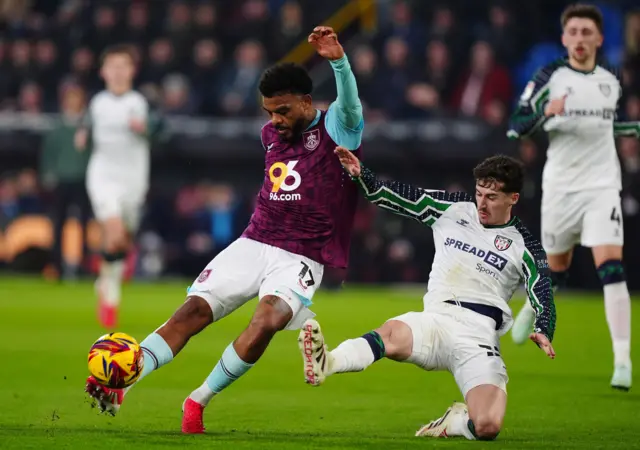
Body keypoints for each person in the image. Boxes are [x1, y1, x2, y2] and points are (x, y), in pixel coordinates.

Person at [85, 26, 365, 434]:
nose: (276, 120)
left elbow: (352, 105)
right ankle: (124, 379)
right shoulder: (270, 133)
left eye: (283, 110)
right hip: (254, 241)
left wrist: (338, 62)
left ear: (307, 101)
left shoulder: (339, 128)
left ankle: (198, 399)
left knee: (267, 320)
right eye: (269, 111)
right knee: (191, 313)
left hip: (302, 256)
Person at [299, 148, 556, 441]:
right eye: (479, 193)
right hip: (437, 319)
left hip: (478, 338)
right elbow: (402, 197)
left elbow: (542, 290)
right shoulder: (455, 208)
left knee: (488, 426)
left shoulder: (525, 245)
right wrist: (363, 176)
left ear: (513, 198)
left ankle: (456, 422)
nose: (481, 203)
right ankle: (328, 362)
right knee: (392, 333)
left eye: (492, 197)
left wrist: (543, 328)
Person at [507, 4, 639, 391]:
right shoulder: (550, 76)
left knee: (612, 269)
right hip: (561, 188)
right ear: (564, 38)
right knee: (557, 271)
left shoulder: (613, 78)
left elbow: (614, 125)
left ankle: (622, 361)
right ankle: (533, 308)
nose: (580, 39)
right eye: (574, 33)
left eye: (587, 32)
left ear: (599, 38)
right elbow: (517, 126)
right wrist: (545, 114)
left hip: (602, 186)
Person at [75, 45, 151, 328]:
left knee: (121, 240)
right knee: (114, 227)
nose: (118, 72)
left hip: (133, 178)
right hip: (103, 175)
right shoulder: (97, 103)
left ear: (132, 71)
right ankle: (112, 296)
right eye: (113, 66)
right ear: (103, 71)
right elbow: (87, 126)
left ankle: (105, 281)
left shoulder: (139, 102)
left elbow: (157, 129)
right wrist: (83, 136)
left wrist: (145, 128)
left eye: (123, 66)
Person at [39, 85, 91, 280]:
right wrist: (48, 174)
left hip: (83, 179)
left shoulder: (86, 128)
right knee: (58, 223)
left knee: (84, 224)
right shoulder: (58, 129)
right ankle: (57, 264)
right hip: (62, 180)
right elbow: (48, 153)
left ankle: (83, 265)